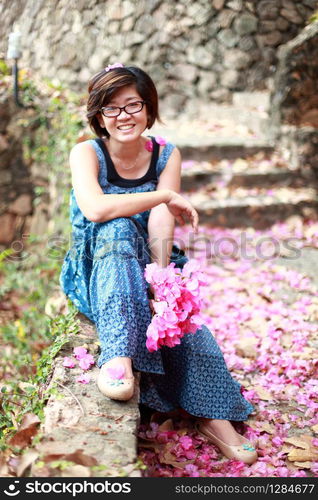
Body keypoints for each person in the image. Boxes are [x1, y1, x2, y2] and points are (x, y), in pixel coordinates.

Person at [60, 63, 258, 465]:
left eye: (133, 105)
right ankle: (118, 356)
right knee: (116, 231)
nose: (124, 116)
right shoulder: (87, 153)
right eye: (111, 109)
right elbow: (97, 210)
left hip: (150, 253)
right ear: (98, 116)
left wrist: (160, 278)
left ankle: (214, 415)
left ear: (149, 108)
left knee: (179, 322)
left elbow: (161, 220)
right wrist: (161, 196)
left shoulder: (166, 154)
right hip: (98, 262)